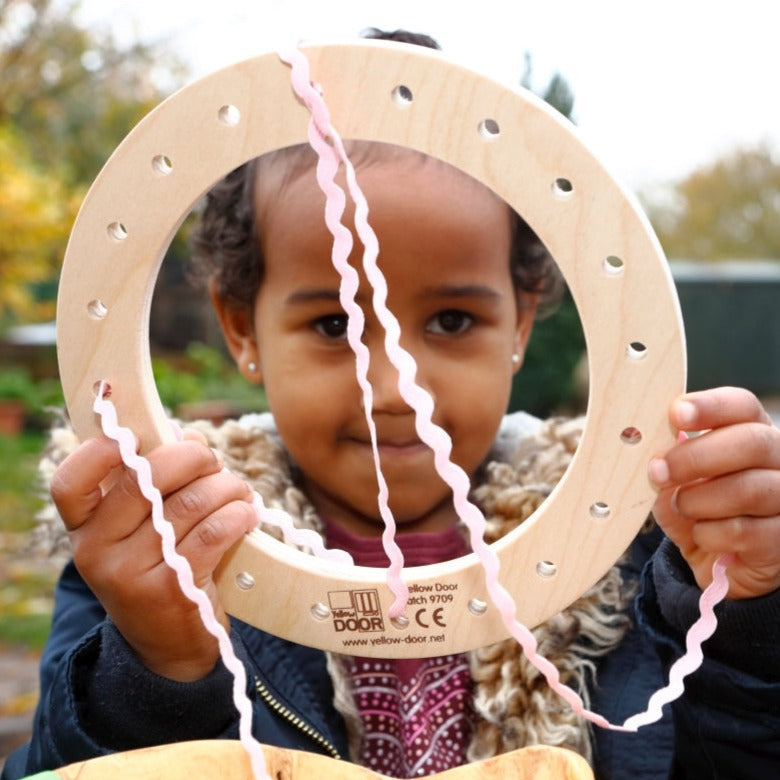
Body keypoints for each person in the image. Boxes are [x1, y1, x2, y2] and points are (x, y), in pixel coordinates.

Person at [4, 29, 780, 780]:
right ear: (241, 326)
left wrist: (745, 615)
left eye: (451, 321)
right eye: (334, 324)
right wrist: (156, 663)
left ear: (522, 319)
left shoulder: (639, 560)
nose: (392, 389)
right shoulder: (166, 551)